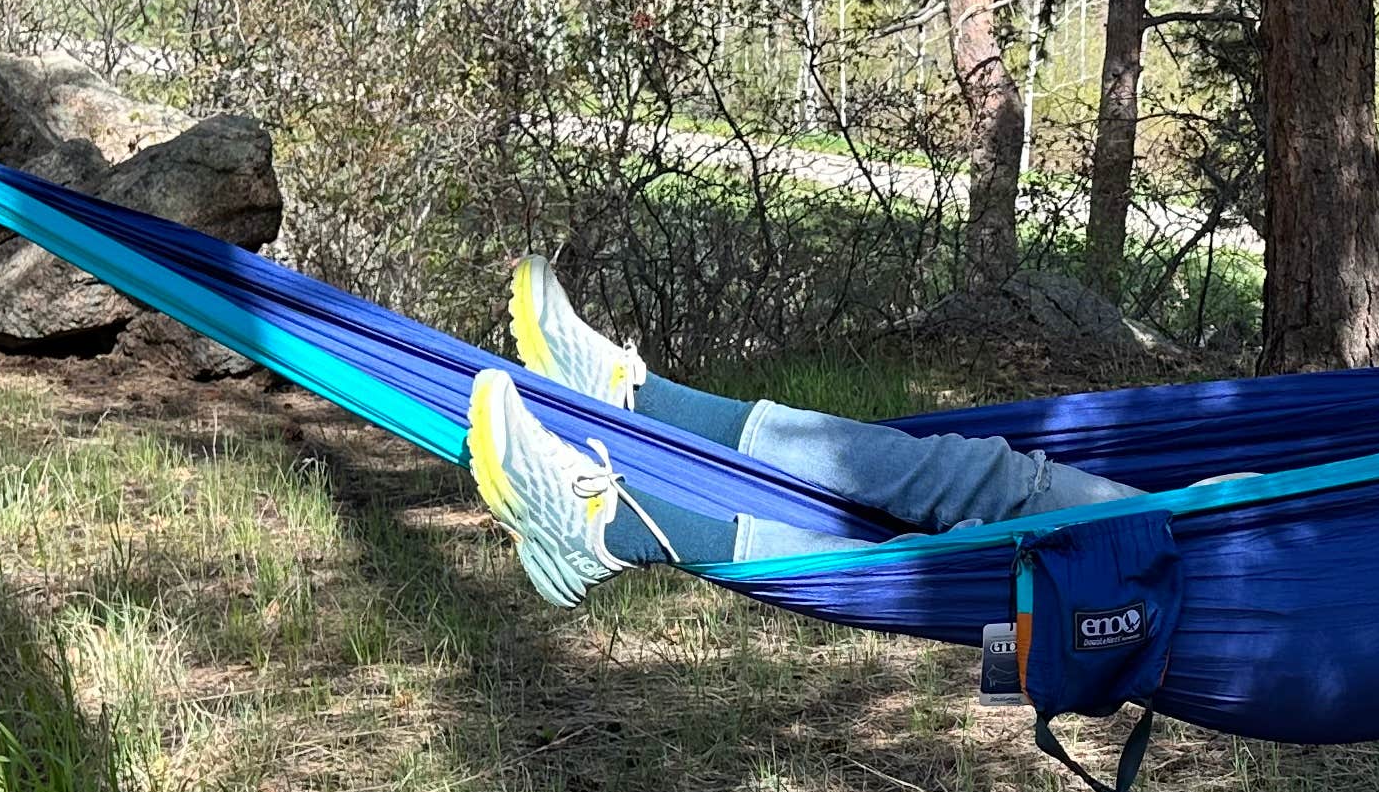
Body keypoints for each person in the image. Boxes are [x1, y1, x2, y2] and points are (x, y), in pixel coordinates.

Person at [467, 257, 1134, 604]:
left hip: (1214, 563)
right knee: (999, 485)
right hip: (1219, 521)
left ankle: (610, 531)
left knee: (969, 569)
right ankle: (643, 403)